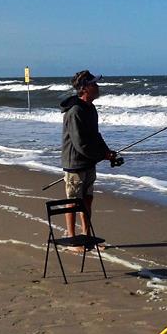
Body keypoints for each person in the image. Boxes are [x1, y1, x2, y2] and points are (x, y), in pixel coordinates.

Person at [60, 70, 118, 239]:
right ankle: (71, 238)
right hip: (75, 164)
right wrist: (101, 156)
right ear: (84, 88)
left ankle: (86, 235)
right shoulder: (75, 111)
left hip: (88, 163)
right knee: (73, 202)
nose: (97, 86)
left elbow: (95, 135)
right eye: (94, 84)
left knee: (87, 199)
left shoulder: (91, 108)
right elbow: (80, 144)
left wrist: (106, 151)